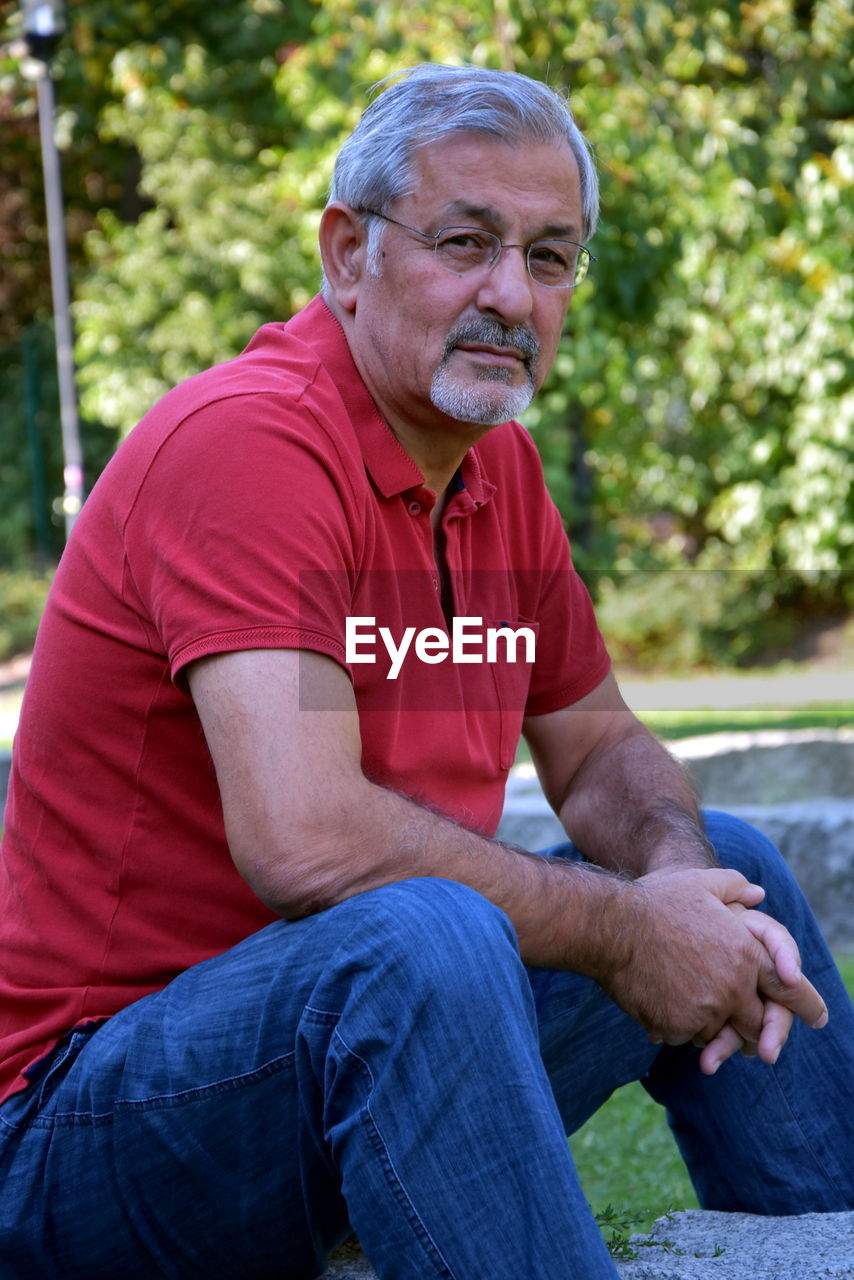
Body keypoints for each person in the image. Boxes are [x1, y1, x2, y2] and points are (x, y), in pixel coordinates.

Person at [0, 63, 851, 1280]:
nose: (508, 292)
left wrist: (671, 887)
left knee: (734, 870)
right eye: (465, 241)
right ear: (347, 254)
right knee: (421, 935)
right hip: (76, 1125)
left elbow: (600, 747)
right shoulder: (249, 445)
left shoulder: (495, 474)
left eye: (549, 257)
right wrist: (621, 933)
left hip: (341, 1048)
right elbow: (306, 843)